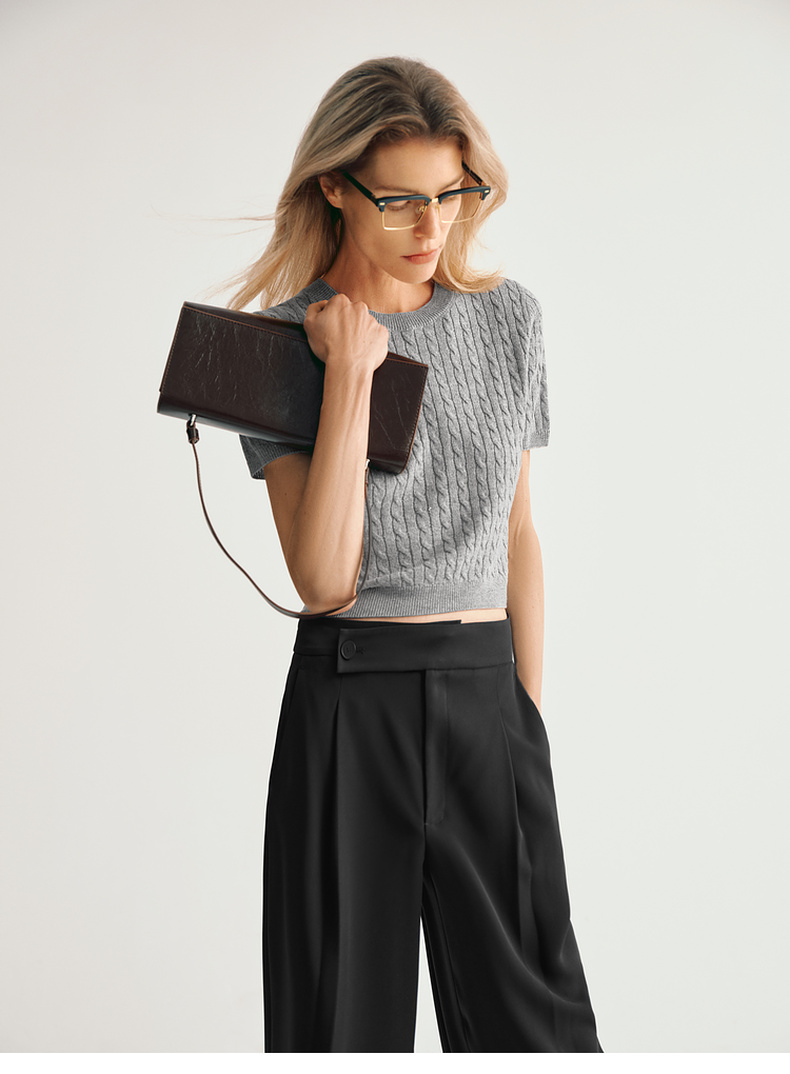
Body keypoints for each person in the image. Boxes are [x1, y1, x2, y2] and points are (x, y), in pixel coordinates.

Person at [229, 56, 602, 1053]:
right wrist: (352, 373)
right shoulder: (276, 348)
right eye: (399, 201)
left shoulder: (509, 318)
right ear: (335, 188)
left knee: (541, 1034)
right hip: (351, 701)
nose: (431, 226)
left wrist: (523, 721)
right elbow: (323, 580)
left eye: (451, 193)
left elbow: (517, 534)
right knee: (337, 1031)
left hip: (488, 702)